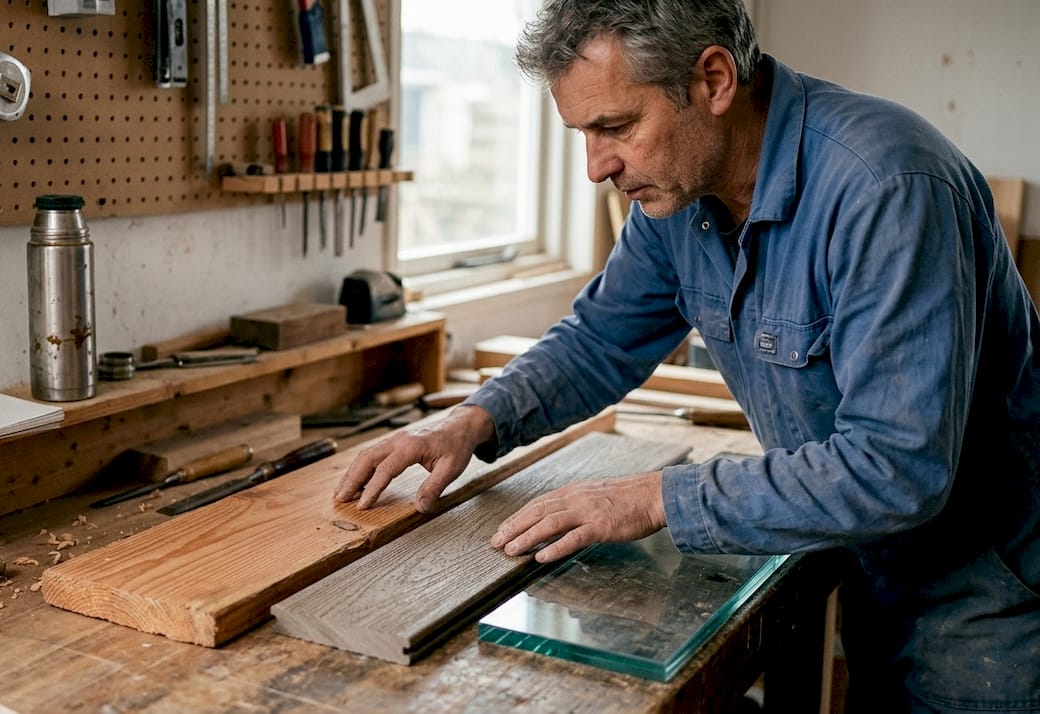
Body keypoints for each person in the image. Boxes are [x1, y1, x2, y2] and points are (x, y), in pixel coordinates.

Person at [333, 1, 1040, 711]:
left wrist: (657, 497)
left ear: (714, 80)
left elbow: (898, 468)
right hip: (873, 561)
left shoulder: (887, 187)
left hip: (992, 594)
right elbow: (600, 338)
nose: (597, 167)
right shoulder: (679, 194)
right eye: (582, 134)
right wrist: (470, 420)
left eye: (616, 127)